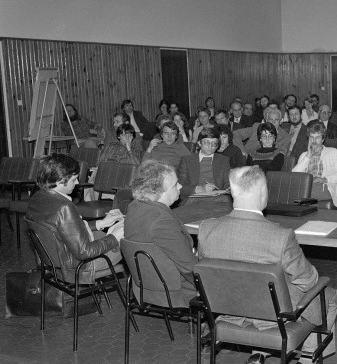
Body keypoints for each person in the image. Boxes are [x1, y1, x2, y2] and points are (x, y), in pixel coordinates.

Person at [197, 165, 337, 364]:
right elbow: (308, 280)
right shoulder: (280, 236)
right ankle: (308, 363)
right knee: (328, 294)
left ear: (232, 192)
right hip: (273, 319)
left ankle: (260, 352)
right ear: (263, 193)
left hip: (228, 312)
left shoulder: (206, 229)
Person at [26, 154, 125, 275]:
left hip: (55, 260)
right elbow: (85, 252)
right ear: (59, 180)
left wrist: (101, 223)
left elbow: (66, 229)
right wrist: (114, 237)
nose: (77, 182)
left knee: (100, 233)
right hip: (77, 266)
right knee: (128, 242)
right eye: (74, 179)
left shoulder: (37, 197)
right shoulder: (64, 207)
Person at [125, 160, 198, 301]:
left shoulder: (134, 207)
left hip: (144, 285)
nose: (181, 186)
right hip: (172, 289)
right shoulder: (162, 220)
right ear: (159, 192)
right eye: (175, 184)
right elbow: (188, 267)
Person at [292, 121, 337, 208]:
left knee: (297, 192)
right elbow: (294, 175)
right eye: (311, 137)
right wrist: (308, 156)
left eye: (317, 137)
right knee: (294, 189)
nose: (314, 141)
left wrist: (325, 179)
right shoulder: (304, 155)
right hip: (306, 186)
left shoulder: (333, 152)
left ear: (323, 139)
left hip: (324, 187)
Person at [178, 127, 231, 201]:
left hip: (218, 200)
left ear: (217, 146)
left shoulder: (223, 160)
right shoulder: (187, 160)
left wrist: (229, 189)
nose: (210, 146)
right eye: (207, 142)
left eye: (214, 143)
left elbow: (227, 184)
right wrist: (200, 188)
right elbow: (179, 187)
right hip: (193, 199)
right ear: (199, 143)